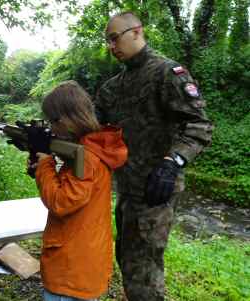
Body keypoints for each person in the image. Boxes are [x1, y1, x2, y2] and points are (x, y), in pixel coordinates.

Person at [94, 12, 213, 300]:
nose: (111, 46)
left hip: (157, 190)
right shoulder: (113, 87)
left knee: (144, 268)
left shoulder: (167, 73)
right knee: (127, 256)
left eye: (115, 38)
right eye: (107, 41)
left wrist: (174, 162)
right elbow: (90, 125)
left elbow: (200, 125)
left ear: (136, 32)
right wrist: (52, 135)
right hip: (128, 189)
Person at [32, 80, 128, 301]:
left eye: (51, 122)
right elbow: (71, 188)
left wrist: (46, 164)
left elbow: (61, 201)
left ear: (65, 120)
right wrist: (43, 166)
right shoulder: (94, 148)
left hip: (71, 268)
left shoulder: (86, 158)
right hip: (83, 259)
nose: (51, 129)